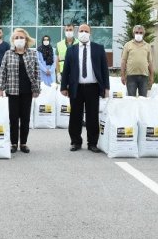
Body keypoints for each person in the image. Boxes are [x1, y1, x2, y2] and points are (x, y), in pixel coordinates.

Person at [60, 24, 110, 153]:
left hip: (93, 88)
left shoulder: (98, 49)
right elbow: (66, 70)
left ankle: (92, 143)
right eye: (81, 31)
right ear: (77, 33)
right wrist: (63, 86)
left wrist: (106, 88)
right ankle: (76, 142)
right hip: (76, 88)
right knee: (75, 116)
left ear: (90, 33)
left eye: (86, 31)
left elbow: (104, 70)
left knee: (92, 116)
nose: (83, 33)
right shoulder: (71, 50)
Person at [0, 28, 40, 154]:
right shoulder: (8, 54)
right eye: (16, 38)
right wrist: (0, 88)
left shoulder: (32, 54)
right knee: (13, 118)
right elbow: (2, 72)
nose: (19, 40)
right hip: (13, 90)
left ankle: (24, 143)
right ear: (13, 40)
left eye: (21, 37)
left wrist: (37, 88)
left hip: (27, 91)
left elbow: (37, 72)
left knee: (25, 118)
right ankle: (14, 143)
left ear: (26, 39)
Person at [120, 24, 153, 97]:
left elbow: (150, 62)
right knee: (131, 100)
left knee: (143, 100)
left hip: (144, 76)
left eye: (141, 33)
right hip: (131, 76)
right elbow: (123, 61)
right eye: (136, 32)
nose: (138, 34)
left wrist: (151, 76)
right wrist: (122, 75)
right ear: (133, 33)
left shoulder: (147, 46)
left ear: (143, 34)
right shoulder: (127, 45)